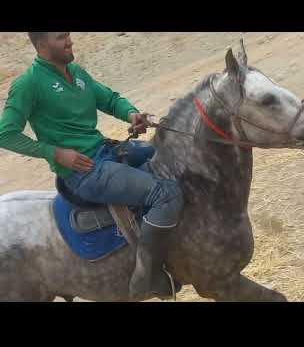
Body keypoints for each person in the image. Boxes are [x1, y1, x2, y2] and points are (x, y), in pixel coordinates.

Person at [0, 32, 183, 299]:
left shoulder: (76, 72)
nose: (69, 40)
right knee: (165, 194)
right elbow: (5, 133)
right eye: (60, 37)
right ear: (41, 45)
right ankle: (149, 275)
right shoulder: (28, 84)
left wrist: (131, 113)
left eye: (68, 35)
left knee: (170, 157)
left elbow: (109, 99)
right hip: (83, 173)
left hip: (106, 152)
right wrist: (54, 153)